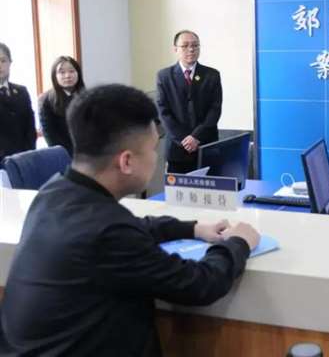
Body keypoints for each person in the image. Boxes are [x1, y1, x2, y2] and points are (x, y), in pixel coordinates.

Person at [0, 84, 260, 356]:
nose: (155, 157)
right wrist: (238, 243)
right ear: (126, 162)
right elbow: (199, 285)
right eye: (153, 149)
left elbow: (132, 228)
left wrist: (192, 228)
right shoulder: (110, 232)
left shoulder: (54, 191)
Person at [157, 30, 222, 174]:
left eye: (195, 45)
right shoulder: (164, 76)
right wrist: (184, 140)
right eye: (185, 46)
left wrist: (196, 137)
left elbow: (215, 109)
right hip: (177, 150)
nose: (191, 49)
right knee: (179, 188)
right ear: (175, 49)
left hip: (206, 144)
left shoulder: (212, 75)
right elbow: (163, 111)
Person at [38, 55, 86, 155]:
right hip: (62, 154)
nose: (67, 76)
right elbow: (50, 135)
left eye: (72, 71)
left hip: (88, 152)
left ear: (78, 73)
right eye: (62, 72)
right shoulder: (45, 100)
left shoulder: (87, 96)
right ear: (54, 76)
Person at [0, 42, 36, 161]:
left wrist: (29, 154)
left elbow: (30, 127)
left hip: (24, 159)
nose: (0, 65)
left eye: (3, 60)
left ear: (10, 62)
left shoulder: (21, 91)